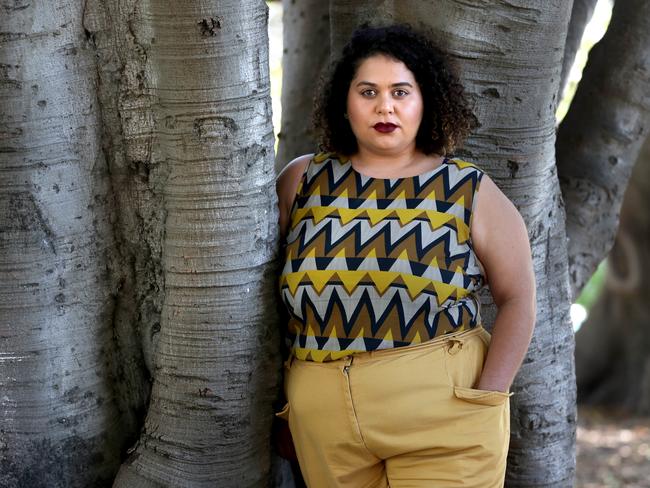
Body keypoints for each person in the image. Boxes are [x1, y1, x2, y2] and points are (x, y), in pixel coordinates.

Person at [274, 24, 536, 488]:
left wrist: (488, 396)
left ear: (425, 101)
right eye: (367, 91)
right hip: (324, 425)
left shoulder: (466, 188)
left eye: (401, 91)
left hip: (444, 419)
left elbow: (518, 297)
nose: (384, 106)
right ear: (345, 101)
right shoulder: (303, 180)